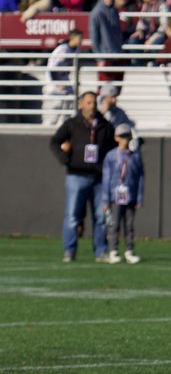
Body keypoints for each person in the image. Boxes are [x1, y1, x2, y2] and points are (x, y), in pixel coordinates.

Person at [49, 90, 116, 262]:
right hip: (76, 176)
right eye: (88, 102)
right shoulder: (72, 124)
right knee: (72, 216)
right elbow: (55, 142)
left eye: (94, 102)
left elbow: (113, 150)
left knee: (100, 218)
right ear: (80, 105)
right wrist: (66, 159)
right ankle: (69, 251)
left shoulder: (105, 126)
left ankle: (100, 252)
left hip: (99, 179)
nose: (91, 106)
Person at [102, 123, 144, 264]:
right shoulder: (111, 156)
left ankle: (129, 250)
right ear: (116, 138)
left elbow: (140, 178)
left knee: (129, 225)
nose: (125, 139)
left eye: (127, 136)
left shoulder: (135, 156)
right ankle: (113, 250)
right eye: (122, 136)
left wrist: (139, 197)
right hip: (115, 195)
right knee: (114, 225)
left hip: (130, 195)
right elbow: (106, 177)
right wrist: (105, 199)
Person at [89, 0, 124, 98]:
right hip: (105, 57)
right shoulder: (96, 13)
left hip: (117, 56)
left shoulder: (114, 12)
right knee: (105, 90)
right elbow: (94, 38)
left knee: (116, 91)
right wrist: (99, 58)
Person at [44, 28, 84, 126]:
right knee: (58, 102)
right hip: (54, 78)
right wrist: (57, 83)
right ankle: (52, 124)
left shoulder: (76, 50)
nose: (81, 40)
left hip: (64, 78)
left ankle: (65, 123)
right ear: (72, 38)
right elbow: (53, 68)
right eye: (79, 38)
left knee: (71, 98)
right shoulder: (63, 49)